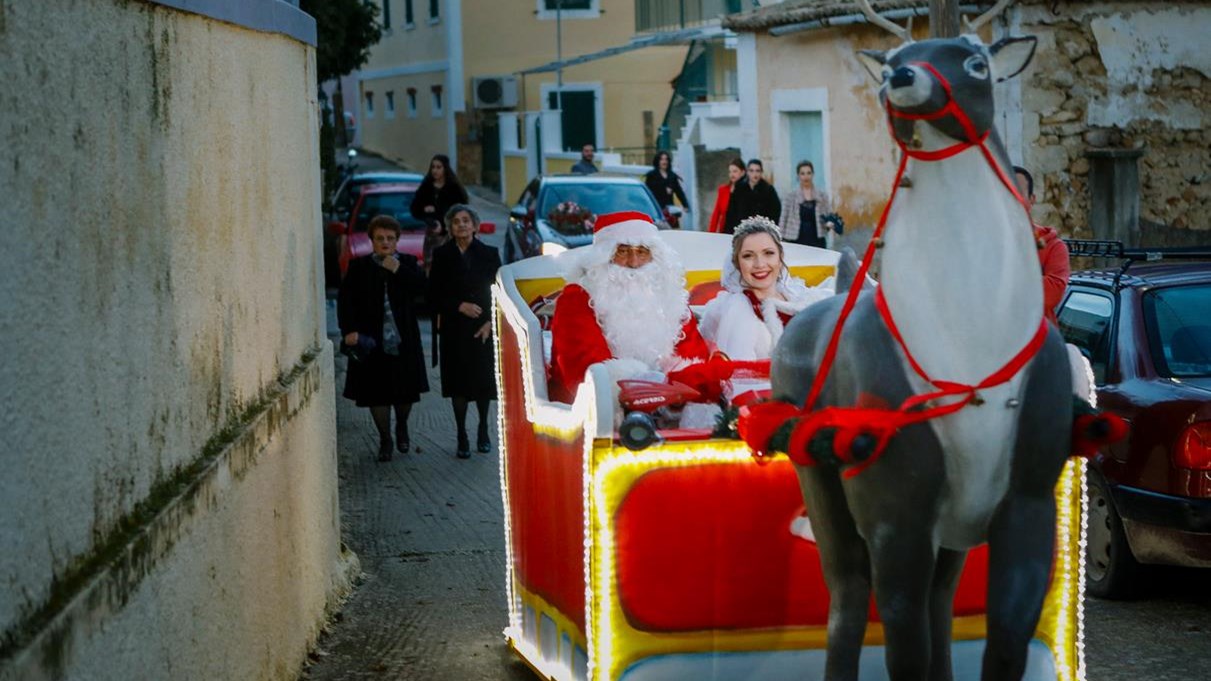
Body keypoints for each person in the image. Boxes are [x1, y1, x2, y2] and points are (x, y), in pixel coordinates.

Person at [548, 211, 710, 404]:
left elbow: (694, 358)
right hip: (592, 414)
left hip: (669, 406)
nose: (634, 263)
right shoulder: (577, 299)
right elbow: (587, 373)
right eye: (623, 251)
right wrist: (654, 388)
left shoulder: (670, 298)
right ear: (602, 258)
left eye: (642, 252)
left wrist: (682, 390)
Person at [699, 216, 833, 401]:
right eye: (748, 256)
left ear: (780, 257)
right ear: (737, 263)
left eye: (768, 253)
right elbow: (740, 382)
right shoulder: (739, 308)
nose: (760, 264)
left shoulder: (799, 297)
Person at [338, 215, 430, 461]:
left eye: (390, 238)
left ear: (397, 240)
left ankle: (401, 426)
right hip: (371, 339)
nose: (385, 243)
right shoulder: (359, 267)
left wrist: (397, 269)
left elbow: (423, 290)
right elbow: (346, 301)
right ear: (372, 241)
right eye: (380, 238)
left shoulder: (408, 262)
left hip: (403, 338)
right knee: (376, 392)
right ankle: (385, 439)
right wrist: (349, 330)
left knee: (405, 390)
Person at [427, 204, 502, 459]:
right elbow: (433, 293)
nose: (461, 225)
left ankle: (483, 429)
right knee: (458, 385)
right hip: (453, 328)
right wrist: (459, 305)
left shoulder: (490, 254)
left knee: (482, 384)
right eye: (456, 221)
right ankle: (461, 433)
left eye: (466, 220)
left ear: (475, 225)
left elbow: (500, 292)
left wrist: (491, 322)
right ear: (450, 227)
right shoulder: (442, 255)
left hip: (482, 327)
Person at [1013, 165, 1069, 325]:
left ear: (1032, 200)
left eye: (1018, 191)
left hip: (1037, 343)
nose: (1011, 197)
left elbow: (1051, 295)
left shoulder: (1054, 247)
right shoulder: (987, 242)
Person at [410, 154, 470, 270]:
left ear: (445, 168)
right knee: (431, 266)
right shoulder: (426, 187)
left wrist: (442, 222)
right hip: (432, 235)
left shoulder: (454, 189)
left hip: (451, 234)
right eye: (433, 167)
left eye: (438, 167)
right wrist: (425, 212)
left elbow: (460, 211)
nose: (435, 170)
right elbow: (415, 209)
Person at [778, 160, 836, 249]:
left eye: (809, 173)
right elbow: (783, 218)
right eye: (802, 173)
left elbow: (829, 215)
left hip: (817, 239)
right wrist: (780, 240)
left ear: (813, 174)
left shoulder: (822, 195)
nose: (806, 177)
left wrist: (829, 224)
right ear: (798, 175)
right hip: (796, 239)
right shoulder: (790, 196)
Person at [723, 158, 780, 233]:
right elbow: (731, 212)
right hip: (741, 231)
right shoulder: (739, 188)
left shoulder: (769, 190)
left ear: (761, 172)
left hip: (761, 232)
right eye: (751, 171)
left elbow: (775, 213)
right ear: (747, 172)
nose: (755, 174)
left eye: (757, 171)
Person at [708, 158, 746, 234]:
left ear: (742, 172)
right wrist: (711, 233)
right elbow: (716, 213)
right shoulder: (723, 190)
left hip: (742, 232)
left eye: (735, 171)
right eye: (730, 172)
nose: (732, 174)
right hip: (726, 230)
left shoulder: (747, 190)